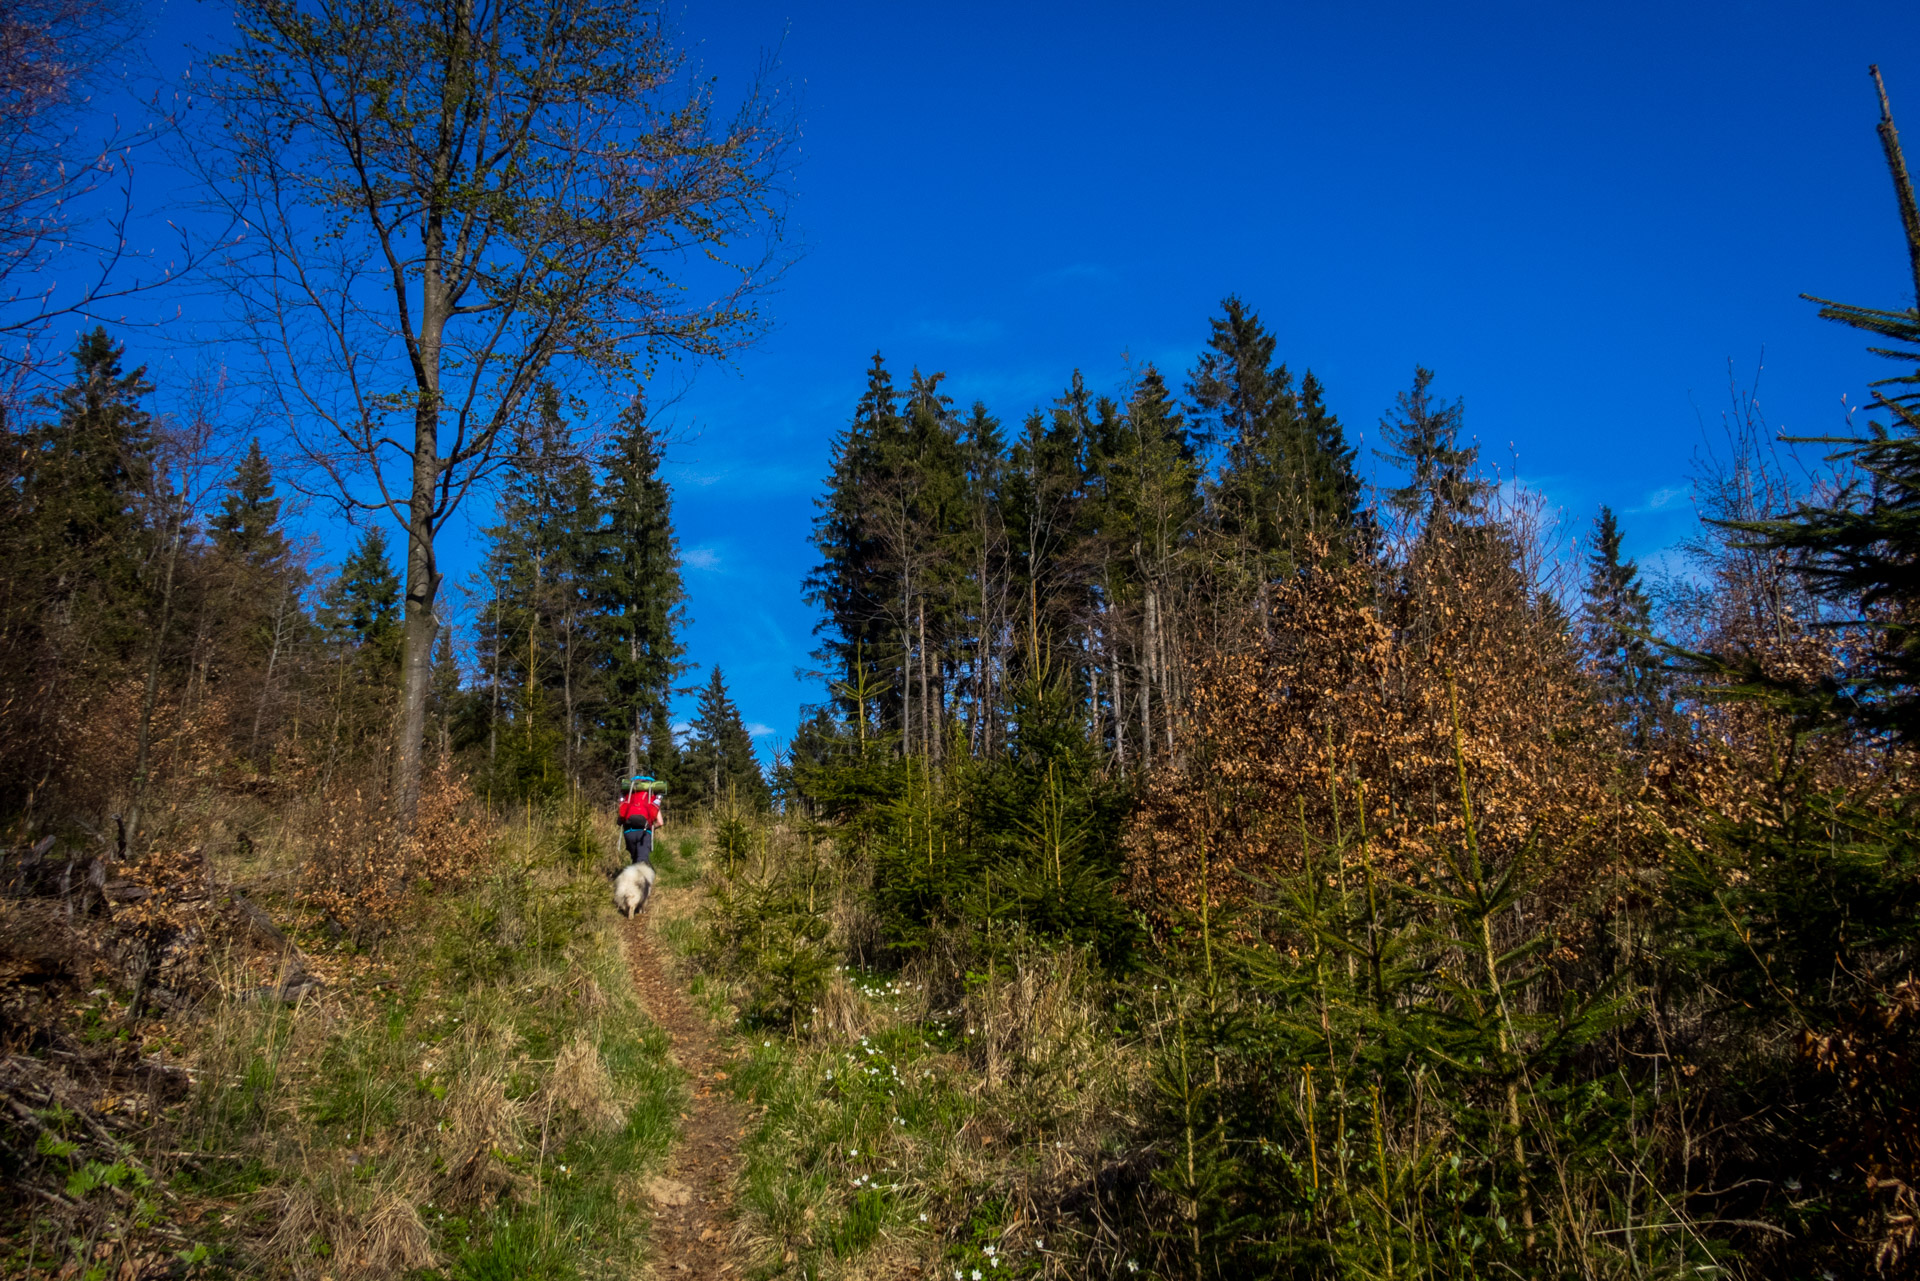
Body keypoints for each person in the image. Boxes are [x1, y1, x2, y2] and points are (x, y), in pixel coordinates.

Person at [618, 777, 663, 865]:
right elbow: (660, 822)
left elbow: (620, 820)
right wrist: (652, 828)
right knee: (641, 860)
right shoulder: (651, 800)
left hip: (629, 832)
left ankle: (633, 877)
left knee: (635, 859)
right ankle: (641, 877)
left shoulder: (629, 798)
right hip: (644, 832)